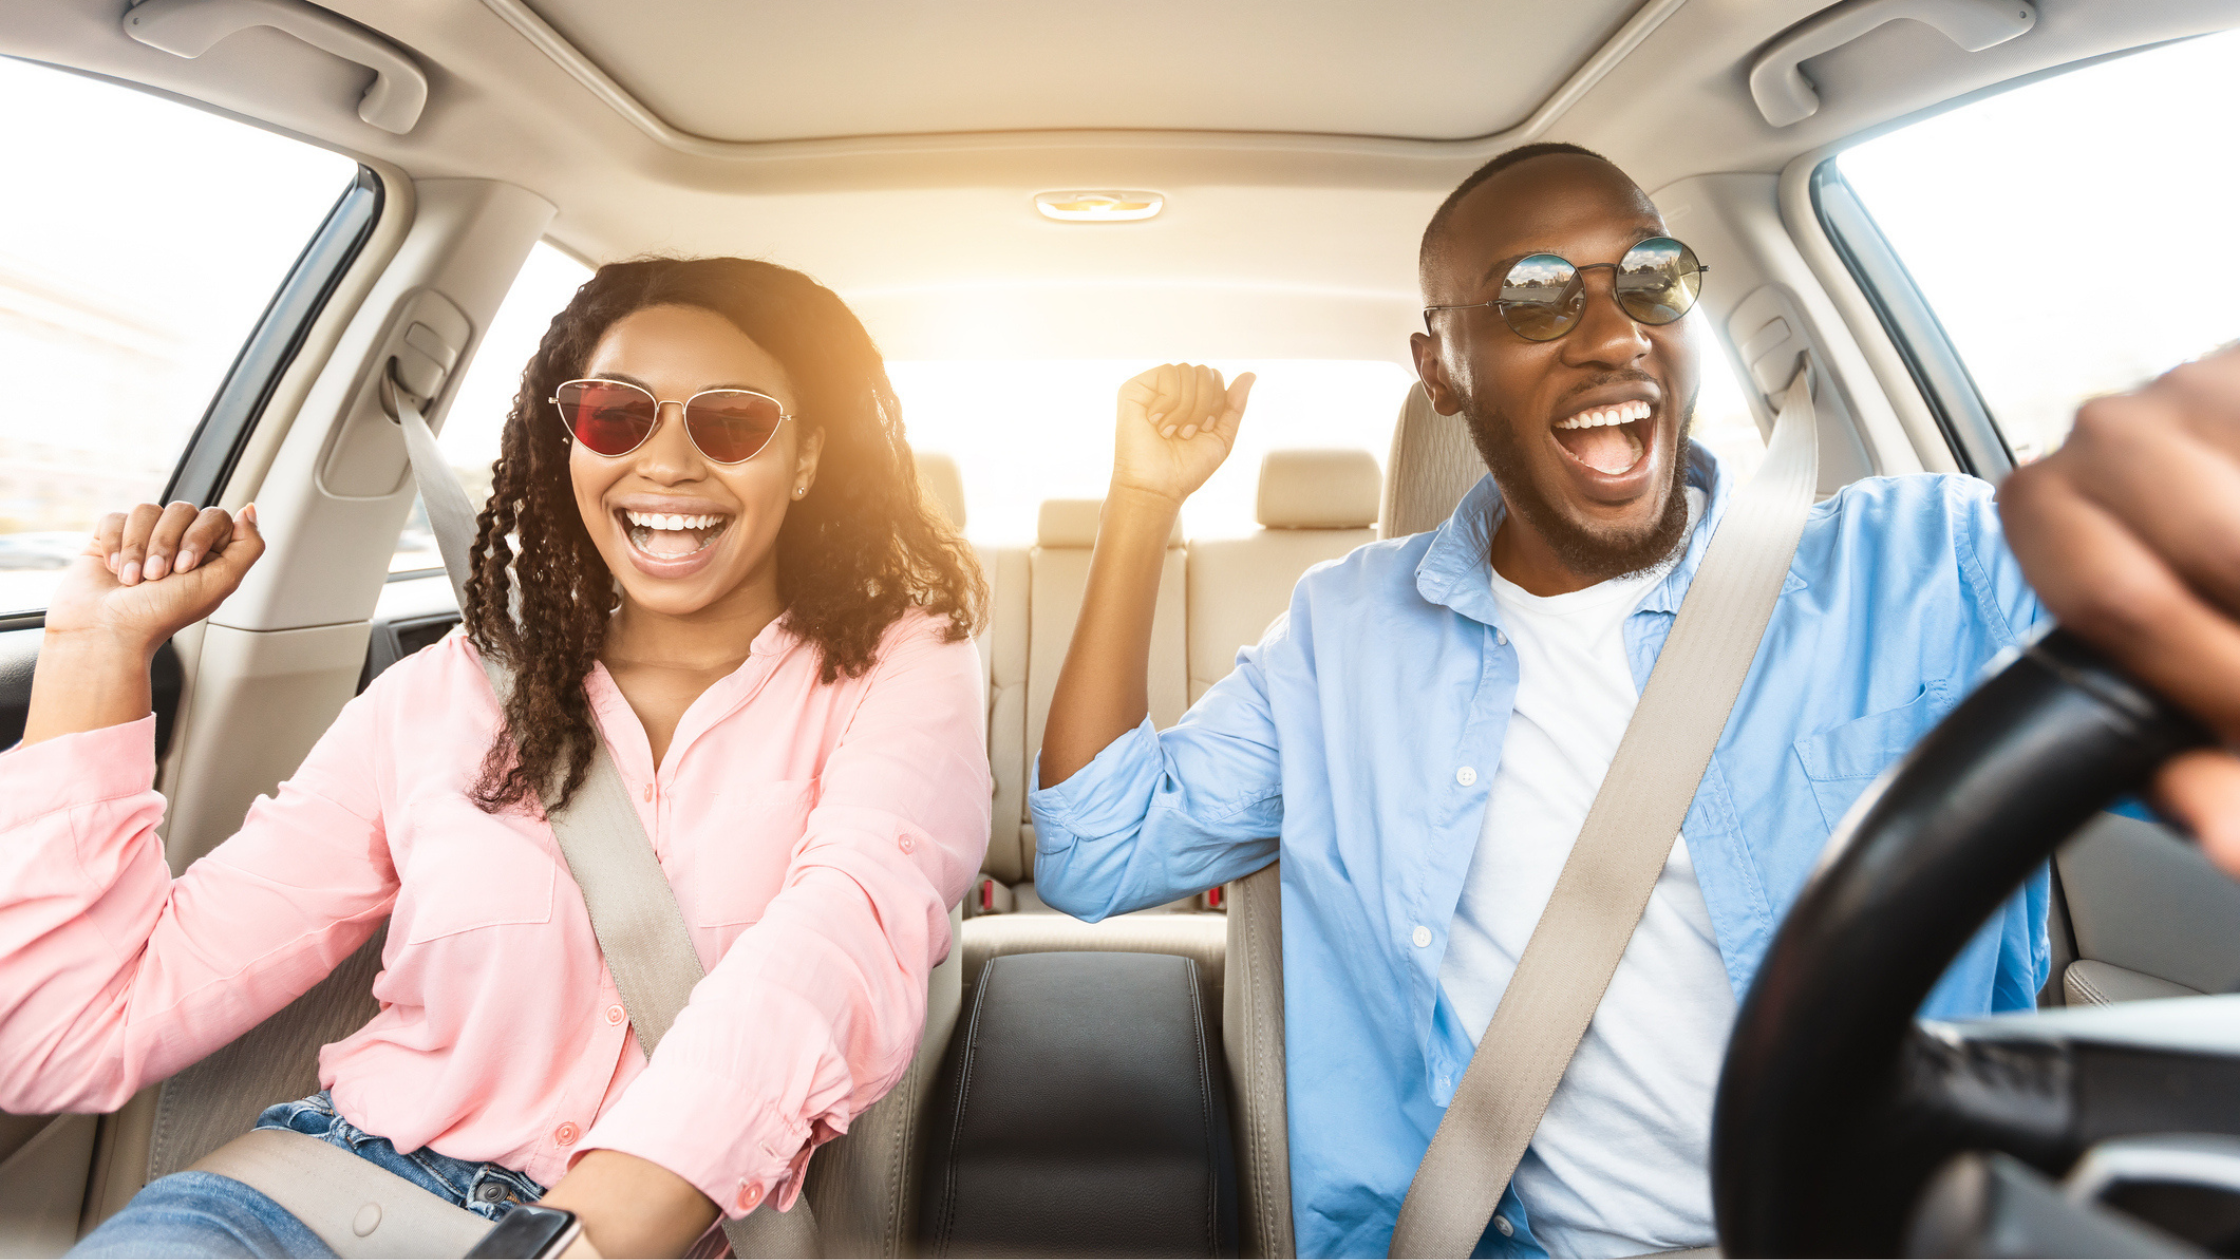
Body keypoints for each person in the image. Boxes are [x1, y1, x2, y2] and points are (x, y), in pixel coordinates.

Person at [1030, 143, 2057, 1258]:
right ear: (1439, 368)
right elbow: (1097, 849)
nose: (1613, 332)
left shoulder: (1919, 561)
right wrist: (1138, 504)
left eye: (1649, 279)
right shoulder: (1342, 638)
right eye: (1532, 297)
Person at [0, 257, 991, 1258]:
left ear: (807, 459)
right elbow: (70, 1035)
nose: (668, 463)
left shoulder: (899, 668)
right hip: (314, 1203)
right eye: (617, 417)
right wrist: (95, 650)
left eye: (731, 423)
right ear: (572, 441)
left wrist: (585, 1235)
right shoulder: (445, 695)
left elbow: (842, 933)